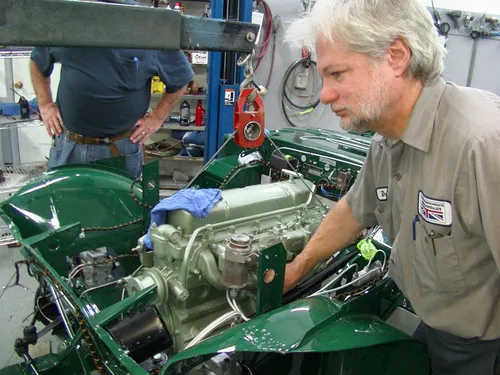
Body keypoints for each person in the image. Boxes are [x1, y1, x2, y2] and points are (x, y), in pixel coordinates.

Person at [283, 0, 500, 374]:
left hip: (478, 348)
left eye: (337, 74)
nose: (324, 95)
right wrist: (297, 268)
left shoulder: (481, 142)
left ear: (396, 57)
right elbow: (354, 210)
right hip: (430, 321)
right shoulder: (386, 140)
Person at [30, 46, 193, 177]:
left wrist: (157, 118)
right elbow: (37, 60)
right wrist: (44, 104)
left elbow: (181, 78)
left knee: (121, 213)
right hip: (69, 144)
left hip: (120, 148)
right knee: (66, 209)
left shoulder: (145, 25)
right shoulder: (71, 20)